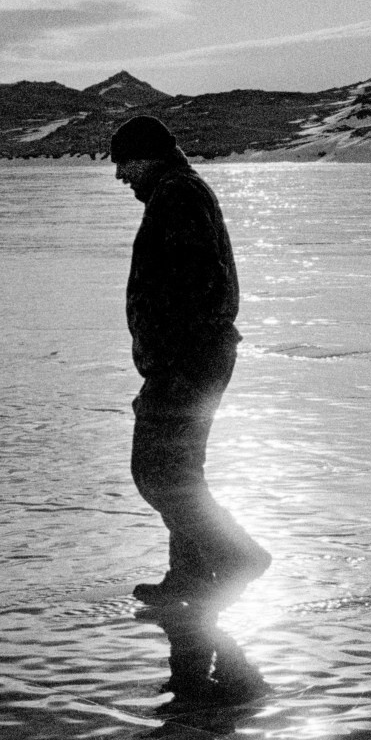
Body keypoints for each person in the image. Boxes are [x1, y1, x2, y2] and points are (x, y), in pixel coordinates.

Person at [110, 115, 270, 609]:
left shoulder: (177, 194)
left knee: (156, 470)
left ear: (150, 156)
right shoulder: (176, 191)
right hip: (192, 356)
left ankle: (237, 555)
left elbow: (193, 280)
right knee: (177, 471)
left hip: (189, 359)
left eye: (124, 163)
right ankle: (191, 577)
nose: (120, 176)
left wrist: (172, 354)